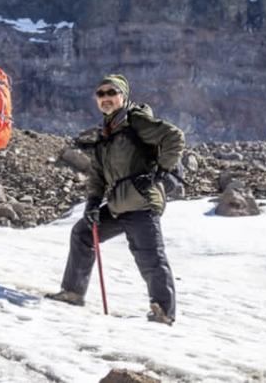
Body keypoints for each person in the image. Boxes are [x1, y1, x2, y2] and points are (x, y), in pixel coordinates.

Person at [46, 74, 185, 325]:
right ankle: (73, 292)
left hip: (142, 202)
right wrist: (92, 203)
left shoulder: (136, 120)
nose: (106, 98)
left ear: (124, 96)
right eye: (101, 94)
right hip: (120, 203)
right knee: (83, 233)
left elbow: (174, 137)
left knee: (150, 256)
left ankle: (164, 312)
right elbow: (98, 174)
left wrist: (159, 173)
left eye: (112, 92)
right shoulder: (106, 133)